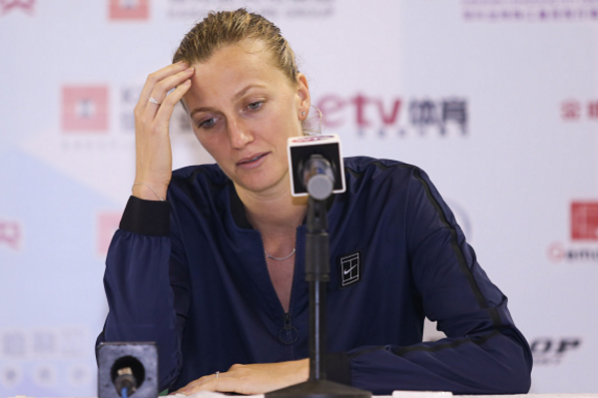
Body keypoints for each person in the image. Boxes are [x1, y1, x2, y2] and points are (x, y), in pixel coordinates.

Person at [97, 8, 532, 396]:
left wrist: (313, 372)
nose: (238, 138)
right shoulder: (179, 208)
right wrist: (150, 190)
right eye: (208, 121)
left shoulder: (392, 197)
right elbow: (129, 384)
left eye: (253, 104)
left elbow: (502, 361)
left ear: (301, 95)